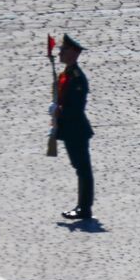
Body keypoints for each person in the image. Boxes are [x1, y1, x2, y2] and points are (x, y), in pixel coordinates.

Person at [52, 35, 94, 221]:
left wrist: (59, 111)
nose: (59, 52)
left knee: (83, 168)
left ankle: (84, 208)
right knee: (79, 167)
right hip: (70, 128)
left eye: (63, 50)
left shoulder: (76, 78)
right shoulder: (67, 74)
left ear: (73, 53)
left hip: (76, 129)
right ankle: (82, 206)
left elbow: (76, 108)